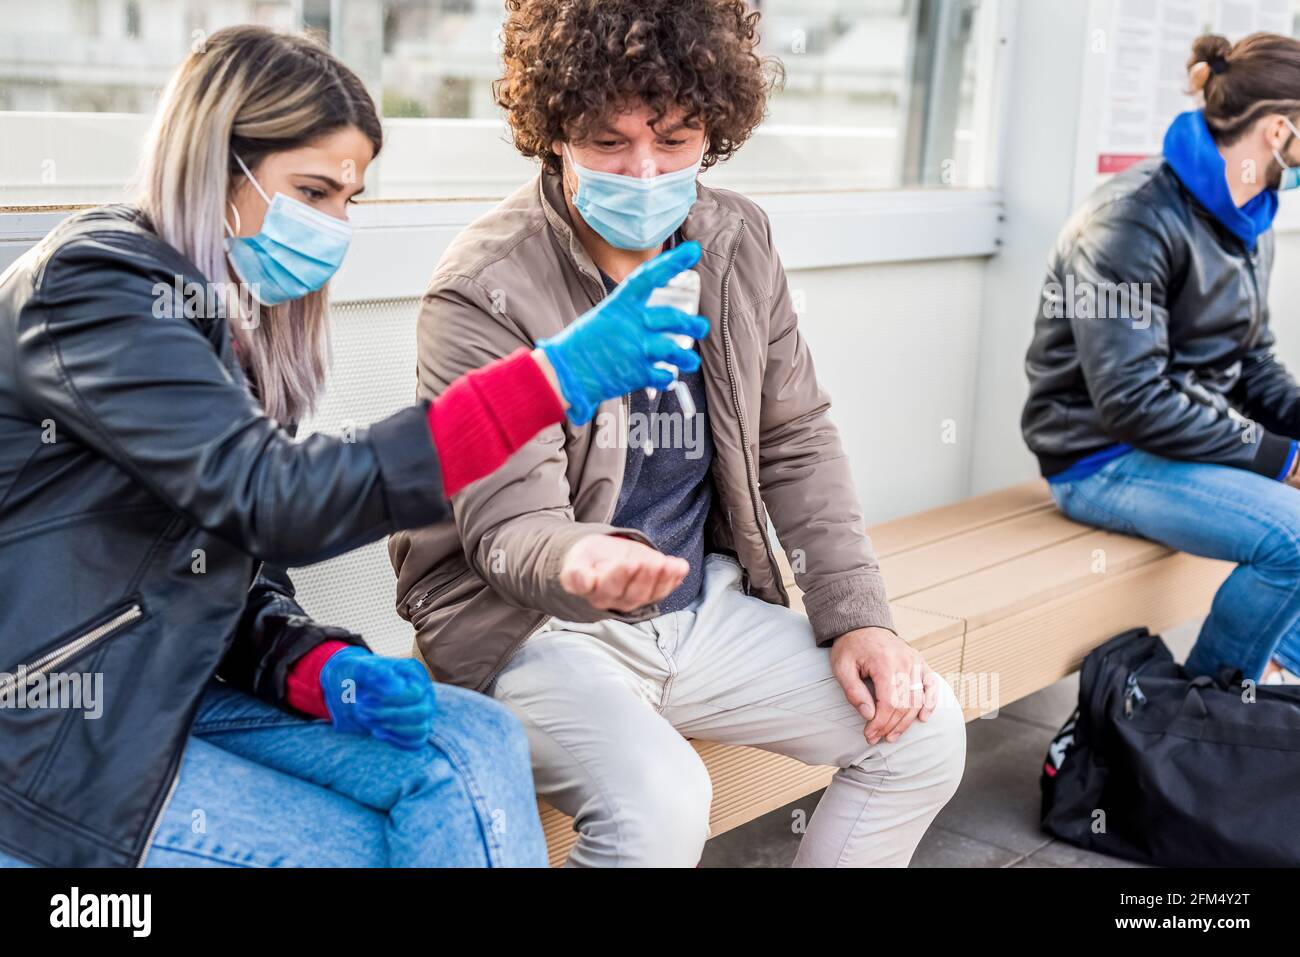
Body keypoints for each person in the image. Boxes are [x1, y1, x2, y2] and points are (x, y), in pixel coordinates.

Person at [0, 25, 703, 868]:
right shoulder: (95, 291)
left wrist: (313, 665)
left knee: (474, 743)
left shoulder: (221, 314)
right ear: (218, 165)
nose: (335, 224)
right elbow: (271, 498)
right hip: (57, 734)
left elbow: (225, 565)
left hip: (173, 685)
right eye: (313, 190)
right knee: (377, 845)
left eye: (349, 198)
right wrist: (545, 382)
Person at [390, 0, 967, 868]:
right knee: (662, 804)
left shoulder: (737, 240)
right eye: (609, 142)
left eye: (677, 137)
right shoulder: (483, 286)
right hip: (532, 630)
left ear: (717, 127)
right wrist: (581, 563)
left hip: (704, 610)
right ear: (553, 129)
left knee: (922, 733)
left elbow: (795, 439)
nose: (646, 169)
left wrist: (859, 618)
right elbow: (506, 524)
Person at [1023, 32, 1300, 685]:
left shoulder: (1250, 216)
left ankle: (1267, 727)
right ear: (1278, 129)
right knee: (1294, 538)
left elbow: (1253, 364)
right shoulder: (1131, 218)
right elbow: (1131, 400)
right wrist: (1280, 457)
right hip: (1100, 458)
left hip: (1187, 448)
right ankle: (1203, 721)